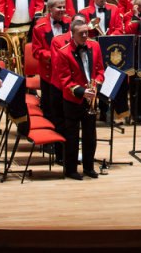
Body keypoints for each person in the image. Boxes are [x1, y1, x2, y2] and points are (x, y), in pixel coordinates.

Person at [54, 21, 105, 180]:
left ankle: (89, 167)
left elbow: (100, 70)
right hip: (73, 99)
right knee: (72, 136)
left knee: (90, 135)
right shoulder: (63, 52)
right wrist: (83, 91)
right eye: (81, 33)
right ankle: (70, 169)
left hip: (91, 97)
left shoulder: (94, 46)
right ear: (73, 34)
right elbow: (64, 80)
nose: (85, 35)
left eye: (86, 32)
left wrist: (95, 85)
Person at [31, 0, 71, 156]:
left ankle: (65, 140)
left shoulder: (70, 23)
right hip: (48, 74)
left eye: (63, 7)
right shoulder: (39, 27)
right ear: (50, 9)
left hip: (67, 73)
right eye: (58, 7)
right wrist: (54, 55)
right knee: (49, 108)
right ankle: (49, 142)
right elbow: (36, 51)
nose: (62, 10)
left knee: (66, 107)